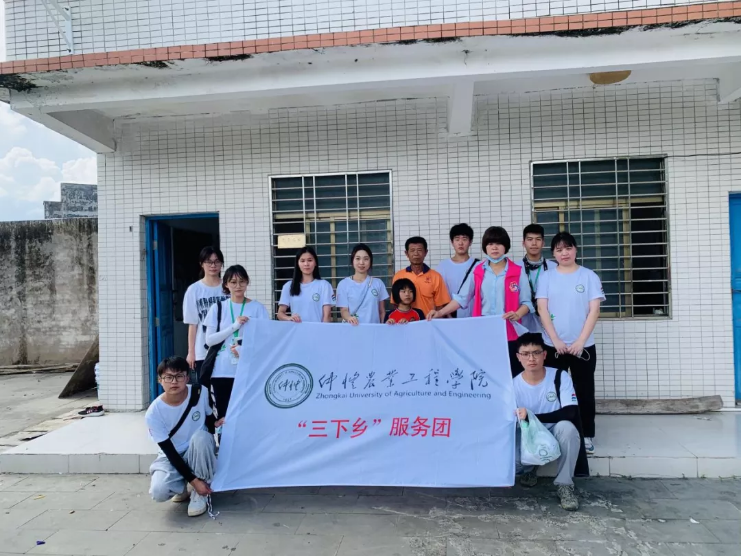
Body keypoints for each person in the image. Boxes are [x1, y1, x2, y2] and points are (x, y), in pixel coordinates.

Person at [427, 226, 533, 376]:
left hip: (509, 331)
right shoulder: (478, 271)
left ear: (506, 246)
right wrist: (440, 313)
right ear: (485, 247)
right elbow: (462, 298)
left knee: (511, 372)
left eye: (498, 243)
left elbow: (527, 303)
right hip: (483, 331)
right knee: (486, 372)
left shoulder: (517, 271)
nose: (494, 247)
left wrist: (517, 314)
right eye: (490, 244)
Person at [536, 232, 604, 454]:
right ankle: (553, 432)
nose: (564, 253)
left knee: (584, 390)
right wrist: (555, 340)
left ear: (575, 249)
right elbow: (542, 309)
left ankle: (586, 435)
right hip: (553, 346)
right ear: (553, 254)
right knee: (553, 391)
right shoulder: (546, 277)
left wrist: (580, 341)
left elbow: (594, 311)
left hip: (583, 347)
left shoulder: (589, 276)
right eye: (559, 250)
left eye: (568, 248)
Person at [513, 333, 589, 511]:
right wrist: (529, 421)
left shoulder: (560, 376)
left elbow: (570, 412)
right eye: (525, 354)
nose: (531, 358)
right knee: (514, 458)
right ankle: (531, 468)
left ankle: (565, 484)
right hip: (529, 433)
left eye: (536, 353)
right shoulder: (513, 385)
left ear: (544, 354)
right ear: (518, 357)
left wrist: (532, 416)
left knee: (568, 429)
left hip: (554, 430)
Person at [146, 356, 221, 517]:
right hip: (173, 454)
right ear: (160, 380)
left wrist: (217, 422)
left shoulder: (200, 392)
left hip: (197, 449)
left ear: (187, 378)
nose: (174, 382)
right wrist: (193, 480)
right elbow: (169, 450)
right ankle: (183, 486)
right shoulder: (154, 412)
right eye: (168, 377)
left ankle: (200, 492)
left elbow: (209, 417)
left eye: (179, 376)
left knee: (202, 438)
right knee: (159, 492)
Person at [204, 265, 269, 420]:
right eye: (233, 282)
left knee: (249, 416)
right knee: (224, 416)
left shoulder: (257, 308)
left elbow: (266, 340)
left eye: (242, 281)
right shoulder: (218, 308)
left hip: (249, 369)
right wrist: (234, 326)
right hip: (222, 370)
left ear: (247, 282)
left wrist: (245, 349)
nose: (238, 286)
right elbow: (210, 340)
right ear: (226, 284)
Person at [183, 247, 228, 382]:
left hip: (227, 347)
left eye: (217, 261)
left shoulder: (229, 287)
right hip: (203, 349)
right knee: (204, 388)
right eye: (209, 261)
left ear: (222, 264)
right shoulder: (194, 290)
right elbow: (193, 324)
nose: (213, 265)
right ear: (201, 264)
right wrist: (191, 352)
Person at [392, 236, 450, 316]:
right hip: (405, 322)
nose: (416, 254)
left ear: (425, 252)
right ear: (406, 253)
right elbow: (395, 303)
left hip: (428, 321)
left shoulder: (436, 276)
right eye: (412, 250)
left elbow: (440, 306)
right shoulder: (399, 276)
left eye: (419, 250)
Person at [277, 247, 334, 323]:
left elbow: (327, 316)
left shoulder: (324, 285)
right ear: (298, 263)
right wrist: (289, 318)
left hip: (317, 330)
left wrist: (322, 330)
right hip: (296, 330)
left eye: (310, 260)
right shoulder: (288, 286)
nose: (306, 264)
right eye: (302, 261)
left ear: (315, 262)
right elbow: (280, 314)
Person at [337, 243, 390, 325]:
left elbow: (382, 311)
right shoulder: (343, 284)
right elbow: (344, 310)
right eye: (357, 258)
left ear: (370, 261)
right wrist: (349, 318)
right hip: (352, 329)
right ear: (352, 260)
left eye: (366, 259)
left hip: (373, 330)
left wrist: (383, 327)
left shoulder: (378, 283)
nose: (361, 262)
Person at [435, 223, 479, 319]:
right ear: (452, 242)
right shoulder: (442, 267)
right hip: (450, 317)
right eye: (457, 239)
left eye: (464, 239)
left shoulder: (478, 266)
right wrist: (446, 315)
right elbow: (439, 295)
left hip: (474, 317)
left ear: (470, 242)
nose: (460, 243)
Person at [520, 225, 556, 334]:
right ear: (523, 243)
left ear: (543, 243)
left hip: (548, 328)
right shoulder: (515, 268)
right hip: (521, 326)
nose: (534, 243)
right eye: (530, 239)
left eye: (538, 239)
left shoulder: (554, 268)